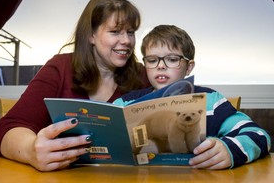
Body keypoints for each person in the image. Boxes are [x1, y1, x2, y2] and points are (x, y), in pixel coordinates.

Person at [0, 0, 150, 172]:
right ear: (91, 35)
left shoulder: (142, 75)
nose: (127, 41)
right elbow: (6, 128)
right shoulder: (60, 68)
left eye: (130, 32)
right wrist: (30, 151)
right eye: (115, 32)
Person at [114, 24, 271, 169]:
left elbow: (258, 135)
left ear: (189, 67)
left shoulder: (211, 100)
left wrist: (229, 150)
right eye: (152, 60)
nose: (160, 66)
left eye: (172, 59)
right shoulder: (125, 103)